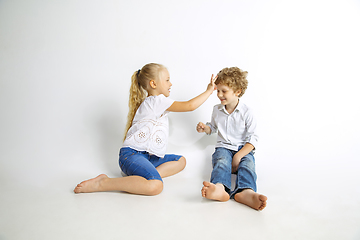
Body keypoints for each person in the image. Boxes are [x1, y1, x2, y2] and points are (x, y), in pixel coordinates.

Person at [74, 63, 216, 196]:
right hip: (131, 156)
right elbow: (190, 106)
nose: (170, 83)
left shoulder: (154, 102)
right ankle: (104, 183)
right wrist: (209, 91)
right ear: (153, 84)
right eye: (167, 80)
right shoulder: (157, 101)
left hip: (147, 157)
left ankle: (145, 176)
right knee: (156, 186)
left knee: (181, 160)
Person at [196, 67, 267, 210]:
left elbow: (253, 138)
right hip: (224, 147)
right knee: (221, 162)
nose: (219, 94)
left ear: (238, 91)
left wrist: (239, 156)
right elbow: (214, 128)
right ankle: (220, 188)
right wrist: (206, 128)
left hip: (243, 149)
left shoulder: (247, 112)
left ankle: (246, 192)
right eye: (218, 90)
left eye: (224, 91)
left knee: (248, 166)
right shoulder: (217, 110)